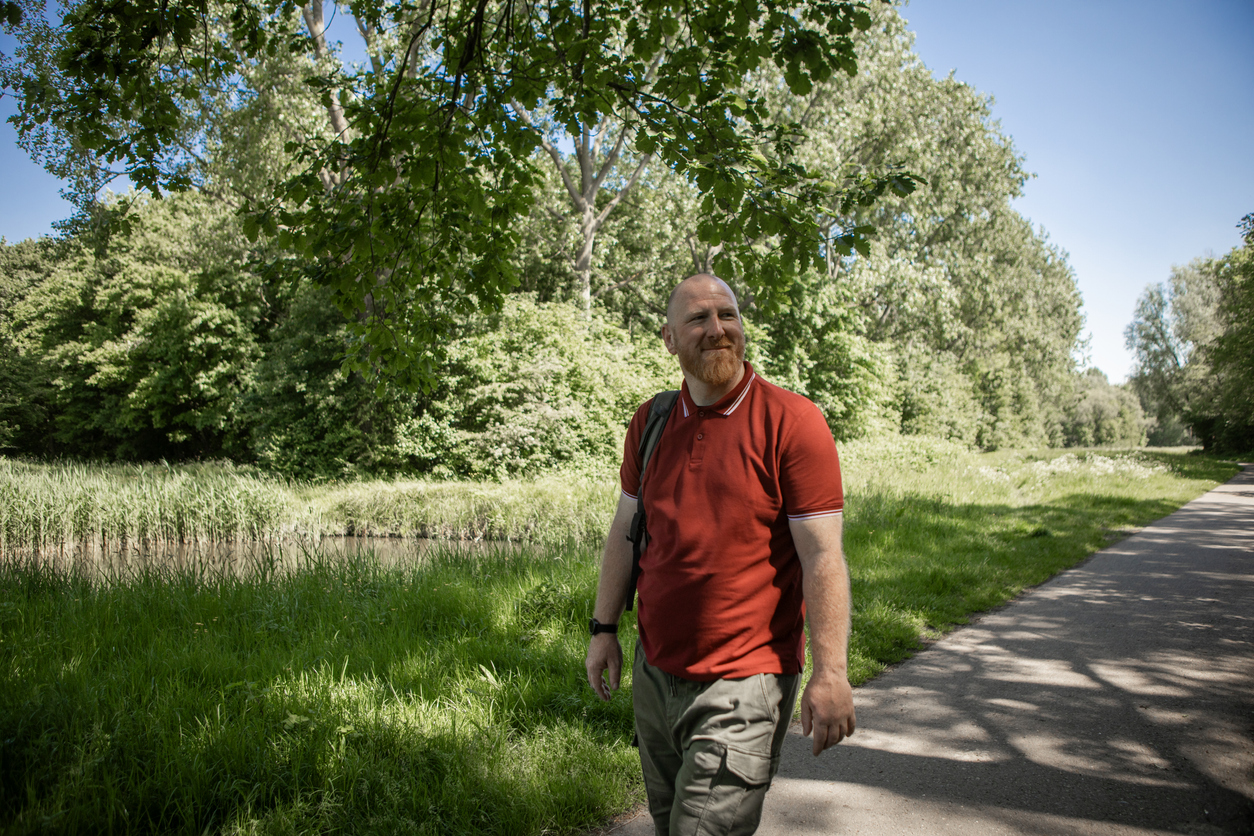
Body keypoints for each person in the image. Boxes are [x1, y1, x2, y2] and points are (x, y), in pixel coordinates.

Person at [585, 273, 856, 836]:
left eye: (727, 316)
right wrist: (603, 627)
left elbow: (823, 558)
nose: (717, 330)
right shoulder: (652, 422)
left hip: (743, 684)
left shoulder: (792, 422)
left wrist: (832, 673)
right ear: (669, 339)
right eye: (699, 319)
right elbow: (626, 529)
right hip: (654, 674)